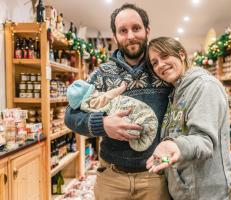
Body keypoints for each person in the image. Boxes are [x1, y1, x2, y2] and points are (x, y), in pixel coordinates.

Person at [64, 3, 171, 200]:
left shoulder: (161, 69)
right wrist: (102, 124)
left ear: (147, 30)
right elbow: (70, 115)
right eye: (123, 30)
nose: (130, 36)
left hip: (155, 176)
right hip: (111, 178)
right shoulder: (102, 73)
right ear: (115, 36)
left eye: (136, 28)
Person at [146, 37, 231, 200]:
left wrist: (175, 145)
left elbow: (204, 141)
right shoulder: (175, 93)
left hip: (206, 194)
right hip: (185, 192)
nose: (160, 65)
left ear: (181, 54)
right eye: (155, 63)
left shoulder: (205, 86)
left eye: (164, 56)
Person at [66, 79, 158, 152]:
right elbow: (69, 117)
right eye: (93, 91)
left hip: (154, 163)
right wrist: (101, 123)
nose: (96, 91)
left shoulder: (159, 66)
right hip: (110, 168)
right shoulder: (95, 97)